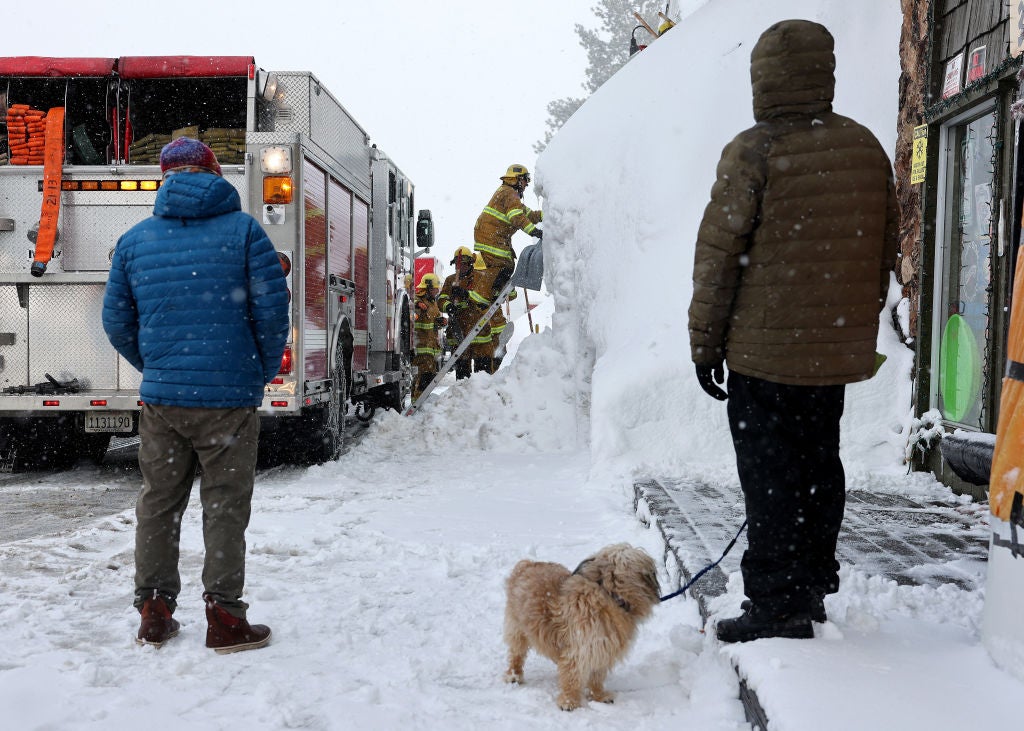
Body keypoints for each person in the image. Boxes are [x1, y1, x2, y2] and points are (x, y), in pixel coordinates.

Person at [687, 20, 899, 643]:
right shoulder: (864, 147)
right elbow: (885, 247)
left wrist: (705, 344)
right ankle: (809, 583)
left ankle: (778, 605)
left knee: (771, 476)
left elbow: (719, 255)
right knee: (818, 466)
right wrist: (849, 326)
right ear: (823, 71)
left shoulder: (755, 150)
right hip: (829, 355)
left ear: (763, 78)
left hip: (763, 354)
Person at [102, 137, 290, 653]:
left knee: (158, 504)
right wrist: (258, 371)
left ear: (165, 179)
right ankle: (225, 620)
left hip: (164, 401)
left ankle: (155, 611)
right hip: (229, 399)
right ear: (212, 172)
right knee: (225, 507)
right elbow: (272, 313)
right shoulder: (246, 232)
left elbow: (116, 321)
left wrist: (158, 367)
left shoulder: (136, 240)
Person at [469, 164, 542, 315]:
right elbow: (516, 218)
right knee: (500, 264)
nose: (527, 184)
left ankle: (494, 293)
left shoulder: (509, 195)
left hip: (491, 235)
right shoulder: (509, 193)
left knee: (507, 265)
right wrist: (534, 231)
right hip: (490, 236)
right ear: (517, 179)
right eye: (525, 179)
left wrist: (547, 213)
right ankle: (480, 298)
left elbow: (530, 215)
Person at [439, 247, 478, 380]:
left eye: (463, 264)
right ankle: (462, 394)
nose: (460, 267)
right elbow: (441, 299)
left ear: (470, 264)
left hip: (476, 327)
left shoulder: (478, 278)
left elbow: (482, 298)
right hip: (457, 328)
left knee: (481, 371)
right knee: (462, 368)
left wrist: (465, 294)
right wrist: (448, 306)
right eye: (457, 264)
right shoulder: (450, 280)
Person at [411, 273, 446, 399]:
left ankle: (421, 403)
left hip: (431, 348)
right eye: (434, 289)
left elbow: (433, 323)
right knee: (421, 378)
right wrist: (417, 305)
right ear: (428, 288)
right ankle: (416, 405)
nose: (436, 291)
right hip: (421, 348)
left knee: (428, 378)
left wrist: (441, 322)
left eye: (437, 289)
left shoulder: (433, 303)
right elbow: (411, 306)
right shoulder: (418, 300)